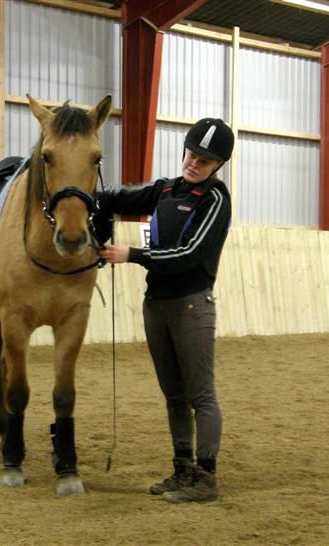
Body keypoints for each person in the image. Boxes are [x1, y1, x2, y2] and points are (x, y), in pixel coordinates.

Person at [96, 118, 234, 503]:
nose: (194, 163)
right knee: (174, 396)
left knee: (201, 395)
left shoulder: (215, 201)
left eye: (204, 160)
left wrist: (133, 255)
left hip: (191, 306)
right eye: (192, 154)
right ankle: (182, 469)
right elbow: (119, 198)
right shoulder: (166, 190)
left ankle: (206, 478)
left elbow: (188, 255)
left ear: (218, 165)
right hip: (156, 305)